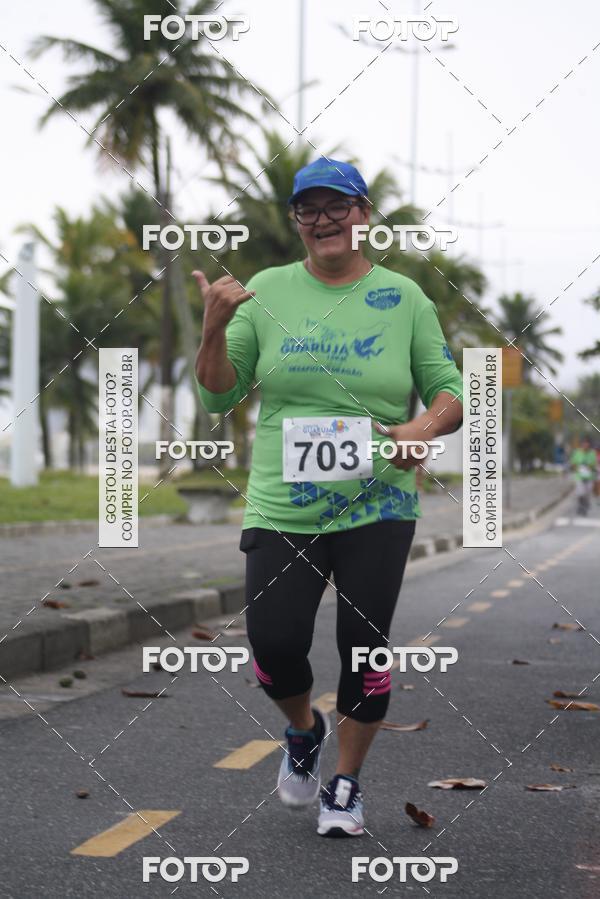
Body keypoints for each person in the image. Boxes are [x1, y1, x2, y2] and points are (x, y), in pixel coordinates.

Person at [193, 157, 464, 837]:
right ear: (297, 221)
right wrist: (213, 327)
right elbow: (220, 395)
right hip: (283, 505)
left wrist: (420, 427)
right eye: (308, 209)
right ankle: (303, 728)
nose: (323, 220)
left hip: (379, 504)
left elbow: (450, 391)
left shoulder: (404, 297)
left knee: (363, 649)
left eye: (337, 206)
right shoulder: (266, 289)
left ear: (363, 214)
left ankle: (345, 784)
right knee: (273, 644)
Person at [570, 436, 597, 516]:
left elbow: (594, 464)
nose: (585, 445)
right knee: (580, 493)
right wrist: (577, 468)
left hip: (589, 477)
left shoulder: (592, 453)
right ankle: (581, 505)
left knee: (587, 494)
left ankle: (585, 506)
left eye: (587, 444)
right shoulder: (577, 452)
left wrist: (589, 467)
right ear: (582, 444)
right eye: (584, 443)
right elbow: (573, 463)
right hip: (579, 477)